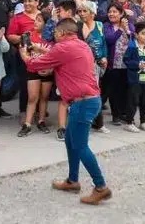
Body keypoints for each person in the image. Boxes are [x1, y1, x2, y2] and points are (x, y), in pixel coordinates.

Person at [19, 17, 112, 205]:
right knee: (71, 142)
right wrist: (38, 49)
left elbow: (35, 65)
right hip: (89, 100)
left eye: (55, 33)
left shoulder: (63, 48)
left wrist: (25, 54)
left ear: (62, 33)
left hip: (82, 102)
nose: (53, 36)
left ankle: (101, 187)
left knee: (80, 146)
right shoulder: (80, 45)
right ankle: (72, 181)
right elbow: (56, 53)